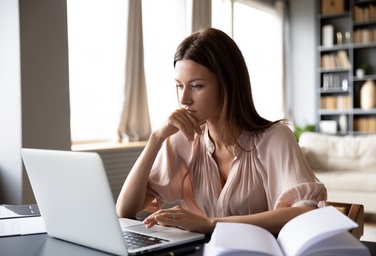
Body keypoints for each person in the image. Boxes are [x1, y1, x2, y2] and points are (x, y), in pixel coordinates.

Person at [116, 27, 327, 235]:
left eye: (196, 86)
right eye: (179, 86)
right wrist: (156, 138)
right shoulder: (181, 140)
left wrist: (210, 223)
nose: (183, 99)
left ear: (227, 84)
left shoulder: (275, 138)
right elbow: (125, 210)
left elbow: (305, 212)